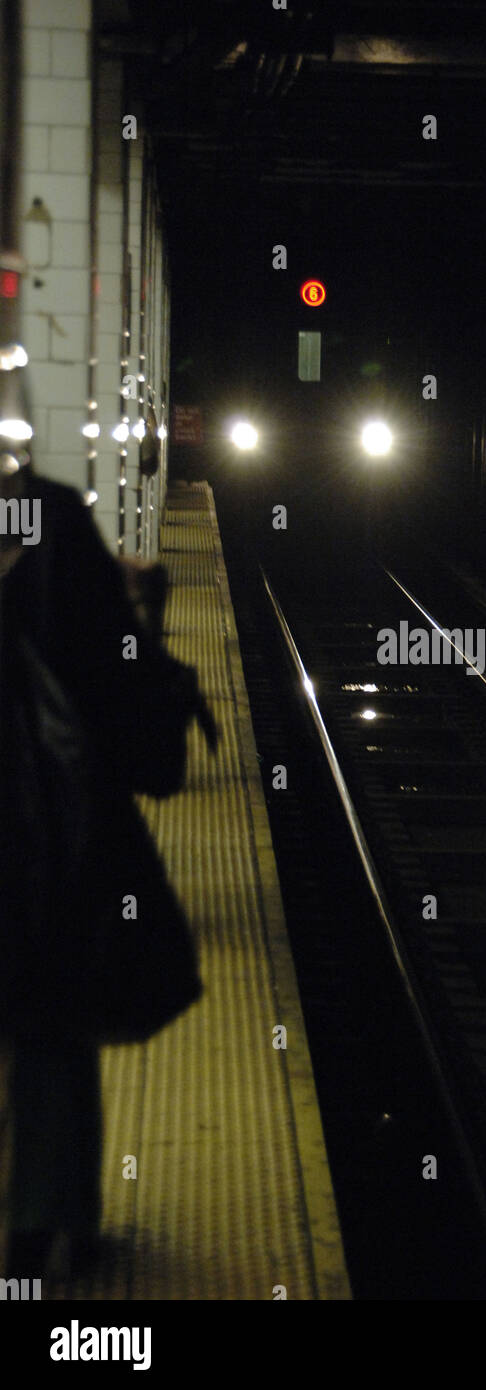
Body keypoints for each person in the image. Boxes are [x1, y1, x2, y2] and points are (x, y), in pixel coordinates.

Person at [0, 453, 212, 1280]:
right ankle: (51, 1218)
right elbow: (110, 655)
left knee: (39, 1009)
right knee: (51, 1011)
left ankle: (39, 1216)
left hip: (41, 817)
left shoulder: (46, 520)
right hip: (49, 820)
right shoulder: (48, 517)